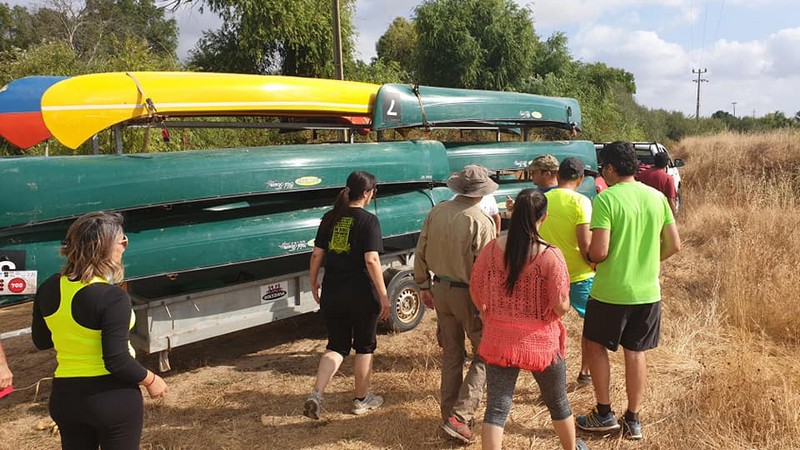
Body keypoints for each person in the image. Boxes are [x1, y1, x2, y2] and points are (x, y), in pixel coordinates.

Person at [31, 211, 168, 450]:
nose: (125, 245)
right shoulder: (112, 297)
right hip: (111, 397)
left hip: (65, 397)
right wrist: (152, 380)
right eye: (122, 240)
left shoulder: (48, 287)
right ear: (109, 247)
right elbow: (117, 360)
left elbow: (41, 340)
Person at [576, 142, 681, 440]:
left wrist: (587, 256)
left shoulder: (606, 200)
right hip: (647, 292)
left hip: (610, 291)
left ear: (609, 168)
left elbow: (599, 252)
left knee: (595, 346)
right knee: (636, 353)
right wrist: (648, 259)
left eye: (602, 169)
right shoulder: (657, 198)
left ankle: (604, 413)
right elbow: (674, 244)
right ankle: (633, 420)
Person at [471, 189, 588, 450]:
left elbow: (476, 288)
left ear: (513, 212)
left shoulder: (492, 249)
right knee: (558, 402)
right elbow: (560, 304)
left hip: (499, 339)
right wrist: (560, 308)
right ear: (543, 217)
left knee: (496, 408)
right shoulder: (550, 255)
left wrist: (489, 312)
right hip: (541, 343)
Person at [414, 164, 498, 444]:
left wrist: (424, 285)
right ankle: (460, 417)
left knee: (451, 355)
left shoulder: (437, 211)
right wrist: (487, 305)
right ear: (481, 192)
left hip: (439, 289)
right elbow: (487, 270)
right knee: (486, 354)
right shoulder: (481, 221)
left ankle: (448, 414)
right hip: (469, 296)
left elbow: (421, 249)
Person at [304, 171, 390, 420]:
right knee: (364, 346)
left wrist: (313, 282)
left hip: (333, 290)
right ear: (366, 193)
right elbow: (372, 260)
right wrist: (384, 296)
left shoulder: (329, 218)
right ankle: (361, 400)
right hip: (362, 293)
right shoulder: (369, 221)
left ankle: (317, 394)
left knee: (337, 346)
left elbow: (316, 255)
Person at [538, 157, 594, 385]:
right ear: (580, 179)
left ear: (557, 175)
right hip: (580, 275)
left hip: (546, 273)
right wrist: (593, 263)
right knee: (592, 325)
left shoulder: (542, 199)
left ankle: (548, 374)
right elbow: (585, 243)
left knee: (546, 325)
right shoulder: (582, 202)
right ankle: (585, 372)